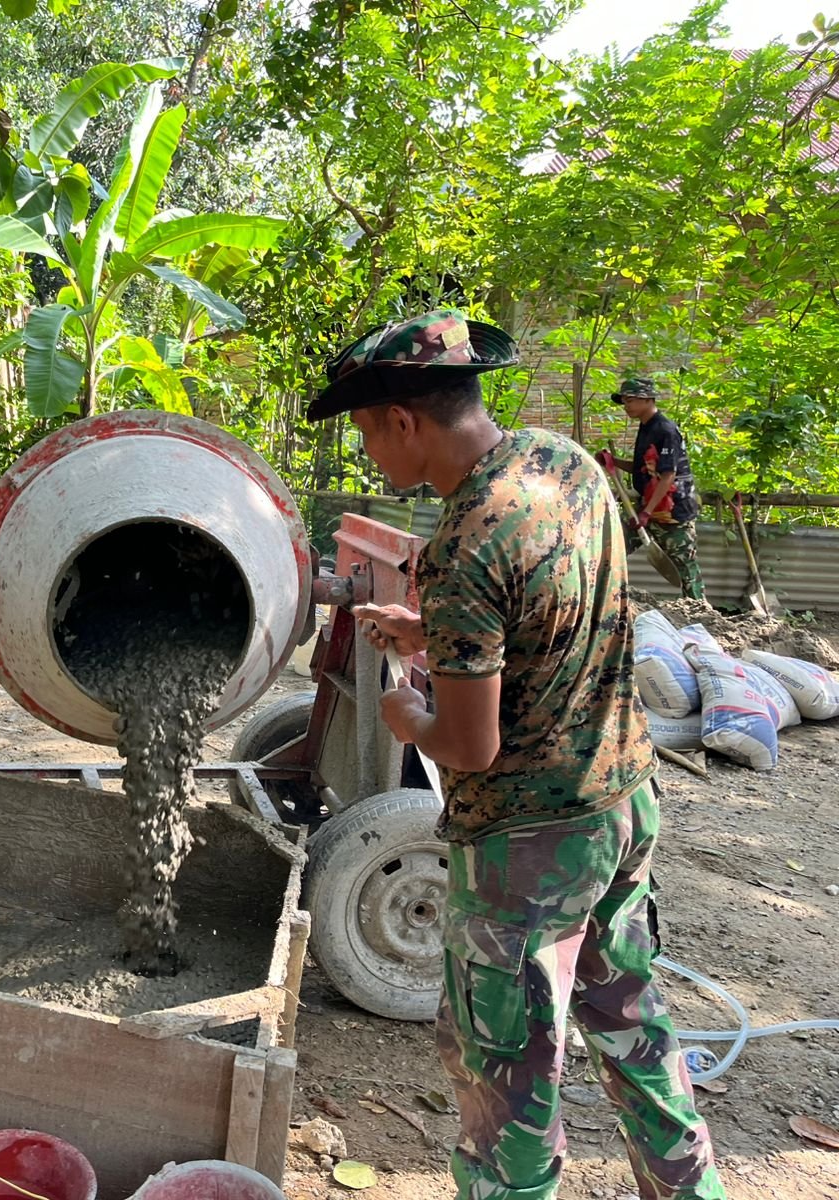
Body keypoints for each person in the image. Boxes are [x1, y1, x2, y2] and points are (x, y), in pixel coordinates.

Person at [310, 310, 724, 1200]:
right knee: (631, 1023)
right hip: (621, 797)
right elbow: (554, 607)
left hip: (529, 845)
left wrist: (406, 712)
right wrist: (437, 633)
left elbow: (469, 742)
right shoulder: (562, 464)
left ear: (404, 421)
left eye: (368, 433)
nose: (370, 454)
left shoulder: (464, 540)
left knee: (510, 1077)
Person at [600, 377, 704, 601]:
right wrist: (613, 462)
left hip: (673, 512)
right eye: (624, 402)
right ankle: (603, 598)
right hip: (648, 507)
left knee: (685, 567)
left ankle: (700, 612)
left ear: (647, 399)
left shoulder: (666, 430)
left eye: (630, 401)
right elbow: (642, 469)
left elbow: (668, 476)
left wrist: (646, 513)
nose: (626, 406)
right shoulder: (646, 427)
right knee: (613, 546)